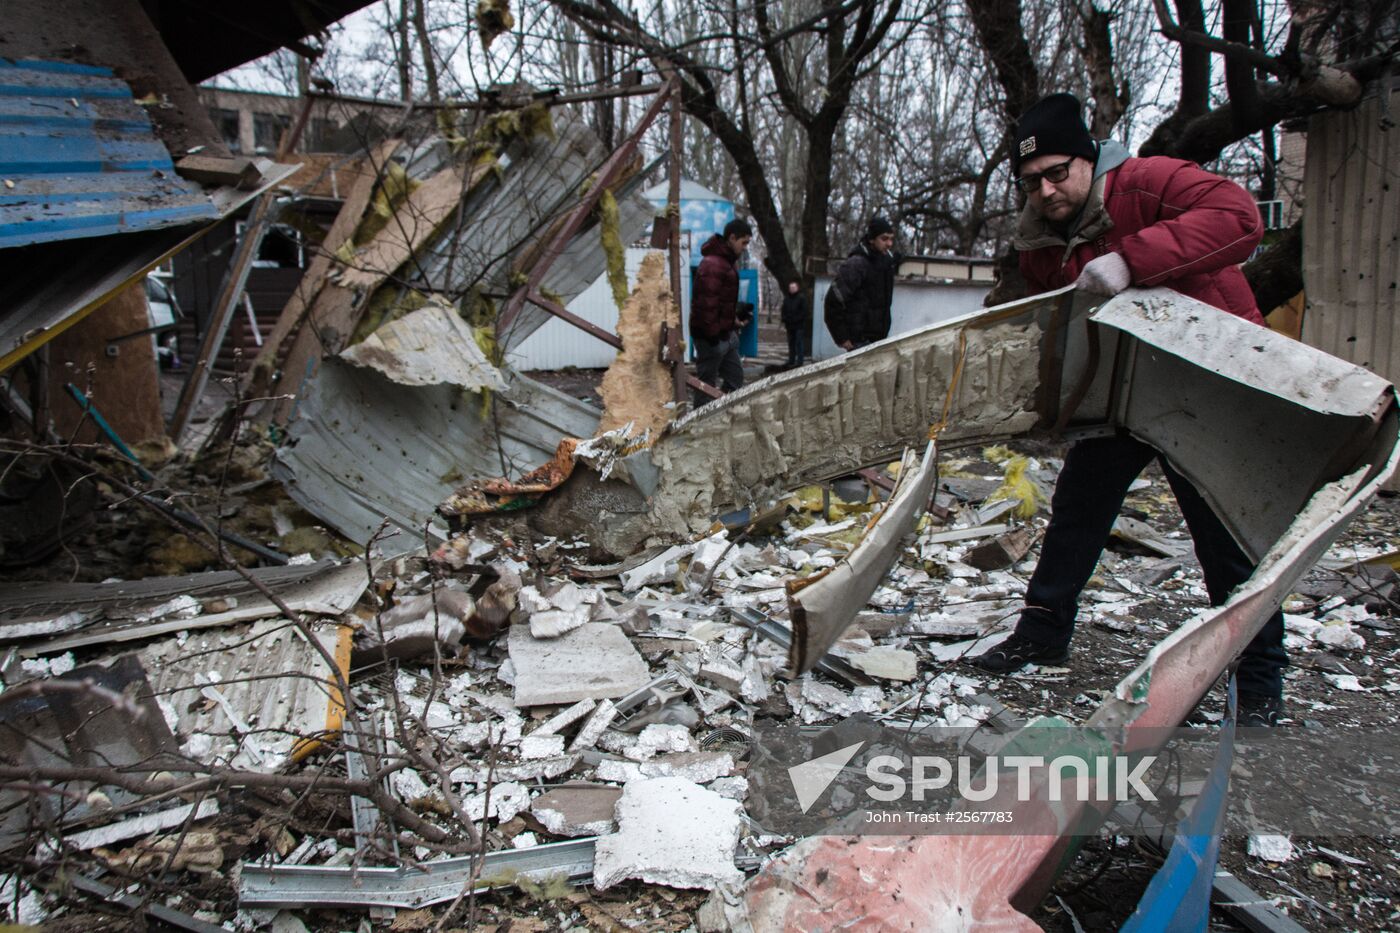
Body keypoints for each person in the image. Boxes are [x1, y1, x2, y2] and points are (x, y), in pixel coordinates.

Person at [969, 92, 1288, 727]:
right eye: (1030, 181)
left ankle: (1258, 681)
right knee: (1078, 509)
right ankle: (1042, 635)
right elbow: (1059, 326)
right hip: (1125, 392)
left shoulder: (1149, 181)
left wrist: (1130, 260)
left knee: (1222, 533)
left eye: (1057, 172)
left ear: (1088, 159)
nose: (1046, 191)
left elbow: (1239, 218)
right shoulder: (1039, 242)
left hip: (1207, 385)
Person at [690, 218, 753, 404]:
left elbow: (723, 301)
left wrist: (732, 323)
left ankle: (721, 412)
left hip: (725, 335)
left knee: (735, 379)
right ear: (732, 238)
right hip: (710, 337)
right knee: (705, 386)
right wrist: (713, 337)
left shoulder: (727, 262)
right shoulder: (713, 264)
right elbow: (706, 304)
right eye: (744, 243)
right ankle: (699, 419)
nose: (745, 248)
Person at [824, 216, 897, 351]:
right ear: (872, 239)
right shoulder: (857, 264)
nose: (889, 244)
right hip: (859, 340)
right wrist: (842, 337)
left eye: (891, 239)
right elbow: (833, 300)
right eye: (884, 239)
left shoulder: (886, 263)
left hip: (879, 339)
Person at [781, 280, 809, 367]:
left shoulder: (801, 298)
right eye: (791, 288)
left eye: (794, 287)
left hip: (799, 325)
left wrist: (795, 319)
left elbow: (804, 312)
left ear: (797, 288)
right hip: (789, 325)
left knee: (799, 343)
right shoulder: (786, 298)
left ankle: (800, 361)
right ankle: (791, 360)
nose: (792, 289)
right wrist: (784, 319)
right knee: (791, 343)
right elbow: (783, 310)